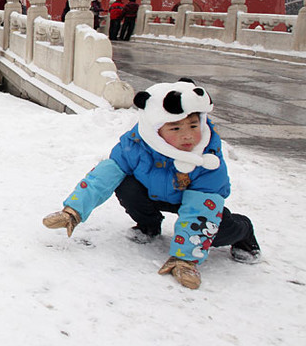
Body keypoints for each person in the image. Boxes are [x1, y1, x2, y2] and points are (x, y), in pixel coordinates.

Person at [42, 79, 261, 289]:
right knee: (126, 185)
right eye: (175, 129)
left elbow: (201, 209)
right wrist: (73, 211)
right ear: (155, 129)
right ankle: (149, 225)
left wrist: (184, 260)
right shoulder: (136, 145)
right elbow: (102, 177)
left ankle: (245, 232)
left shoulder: (207, 158)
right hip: (154, 194)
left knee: (216, 232)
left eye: (193, 125)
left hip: (197, 201)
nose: (187, 136)